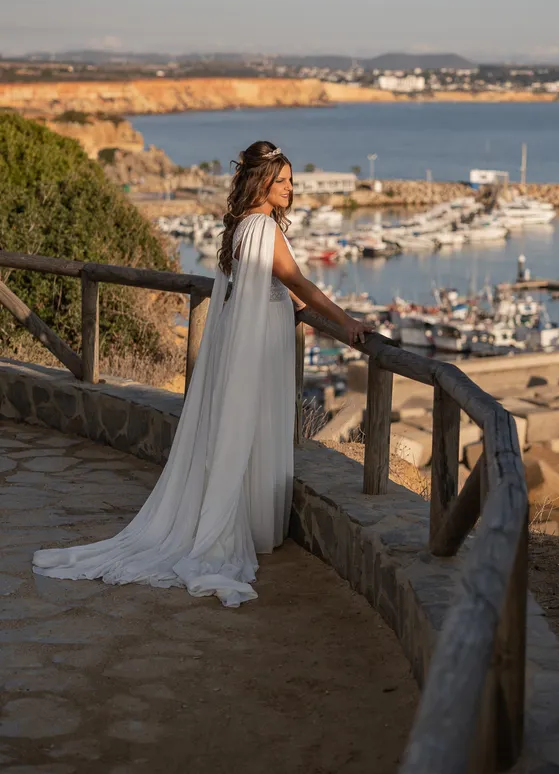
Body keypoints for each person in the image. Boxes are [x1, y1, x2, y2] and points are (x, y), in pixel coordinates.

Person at [33, 141, 373, 607]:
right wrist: (347, 322)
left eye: (292, 181)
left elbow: (267, 283)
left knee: (244, 427)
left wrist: (290, 301)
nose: (291, 189)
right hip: (260, 346)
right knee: (255, 427)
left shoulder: (239, 228)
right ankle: (247, 528)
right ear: (261, 183)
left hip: (247, 340)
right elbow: (298, 282)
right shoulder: (265, 229)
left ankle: (246, 521)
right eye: (283, 182)